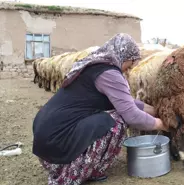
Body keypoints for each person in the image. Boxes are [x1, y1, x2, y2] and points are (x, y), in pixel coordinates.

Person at [32, 33, 169, 185]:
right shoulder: (109, 73)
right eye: (129, 65)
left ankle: (84, 167)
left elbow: (127, 102)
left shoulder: (94, 66)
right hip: (57, 142)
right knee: (118, 120)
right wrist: (162, 124)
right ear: (124, 56)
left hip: (46, 143)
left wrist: (158, 111)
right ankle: (77, 170)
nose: (128, 70)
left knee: (115, 114)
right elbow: (131, 115)